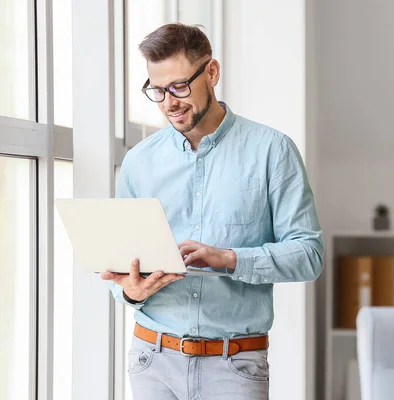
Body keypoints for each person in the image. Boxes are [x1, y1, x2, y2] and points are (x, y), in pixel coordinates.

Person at [100, 23, 323, 400]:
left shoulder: (272, 151)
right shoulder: (139, 162)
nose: (170, 102)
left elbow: (309, 254)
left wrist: (231, 258)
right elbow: (119, 269)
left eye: (180, 87)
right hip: (152, 360)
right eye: (158, 91)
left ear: (212, 73)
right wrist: (131, 292)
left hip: (234, 364)